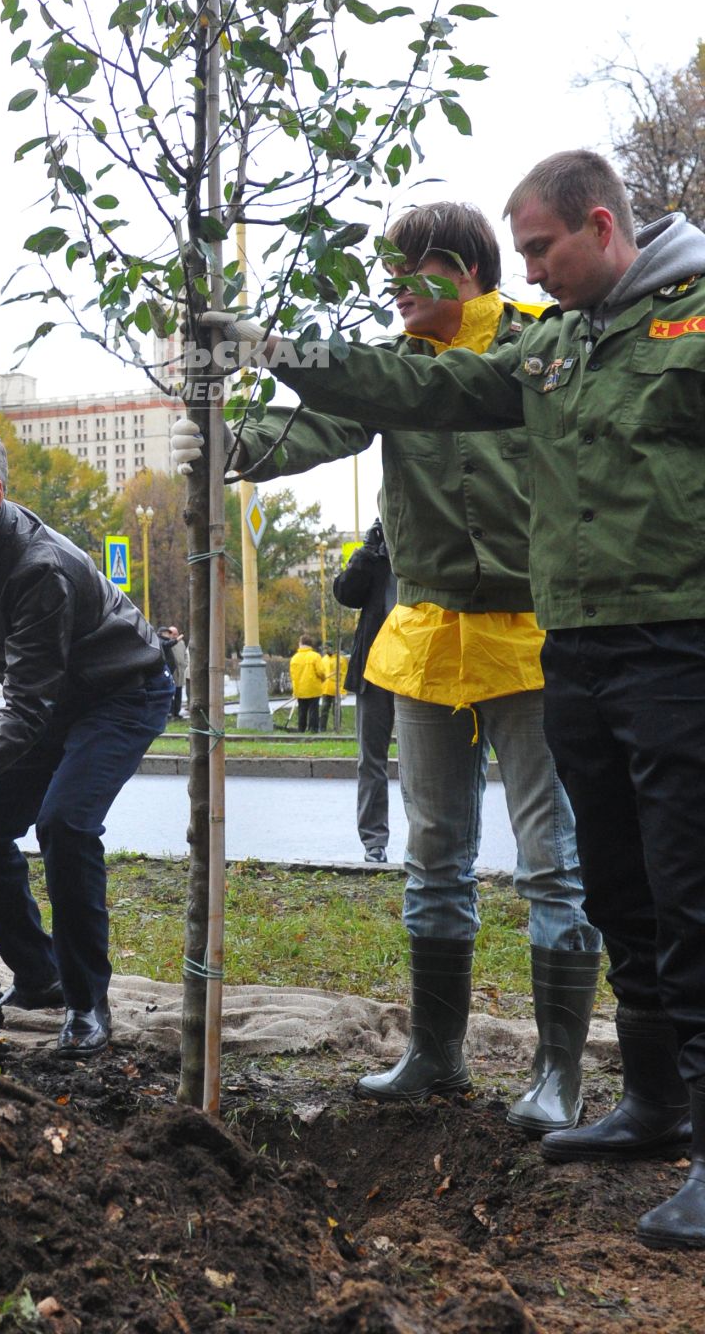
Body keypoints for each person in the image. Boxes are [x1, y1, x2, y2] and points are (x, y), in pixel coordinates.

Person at [203, 153, 705, 1250]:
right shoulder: (483, 353)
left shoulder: (609, 330)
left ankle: (603, 1091)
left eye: (533, 251)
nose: (404, 299)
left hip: (602, 637)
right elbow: (371, 407)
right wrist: (241, 391)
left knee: (616, 871)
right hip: (499, 637)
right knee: (525, 866)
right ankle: (542, 1074)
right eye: (391, 285)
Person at [174, 201, 602, 1137]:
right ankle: (436, 1057)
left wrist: (276, 350)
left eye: (416, 274)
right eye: (390, 278)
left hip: (531, 642)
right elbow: (322, 427)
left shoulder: (540, 344)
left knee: (552, 861)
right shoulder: (395, 369)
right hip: (425, 645)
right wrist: (223, 449)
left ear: (466, 268)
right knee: (433, 857)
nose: (398, 294)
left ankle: (557, 1074)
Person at [0, 424, 174, 1059]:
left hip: (121, 691)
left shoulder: (39, 568)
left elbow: (24, 710)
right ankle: (40, 976)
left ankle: (86, 1002)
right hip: (56, 695)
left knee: (67, 825)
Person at [332, 520, 396, 863]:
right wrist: (367, 552)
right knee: (371, 761)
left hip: (420, 668)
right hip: (374, 672)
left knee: (422, 766)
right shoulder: (375, 558)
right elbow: (345, 592)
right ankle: (374, 842)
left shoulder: (425, 549)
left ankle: (427, 845)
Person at [288, 635, 326, 732]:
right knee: (313, 710)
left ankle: (301, 729)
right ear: (310, 644)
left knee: (302, 710)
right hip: (313, 688)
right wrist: (323, 679)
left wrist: (295, 690)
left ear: (300, 644)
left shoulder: (295, 658)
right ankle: (313, 729)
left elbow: (293, 675)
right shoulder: (315, 656)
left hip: (300, 689)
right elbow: (320, 672)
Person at [160, 625, 189, 718]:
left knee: (179, 691)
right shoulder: (167, 643)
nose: (175, 635)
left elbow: (185, 654)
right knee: (172, 691)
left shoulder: (181, 643)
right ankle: (171, 712)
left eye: (176, 634)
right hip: (172, 671)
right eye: (173, 634)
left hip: (181, 670)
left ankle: (177, 711)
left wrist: (185, 664)